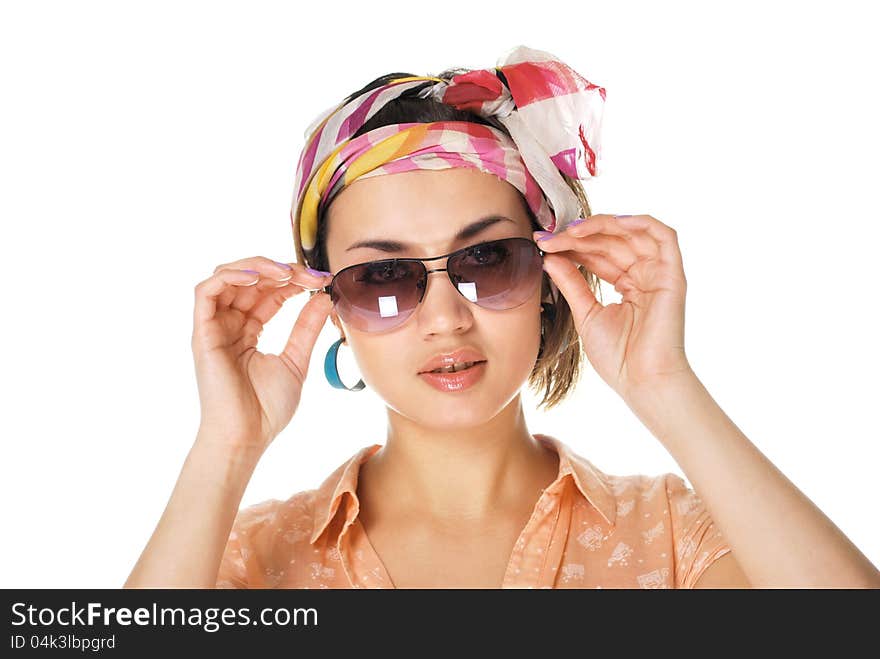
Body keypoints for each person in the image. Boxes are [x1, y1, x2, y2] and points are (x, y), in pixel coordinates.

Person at [124, 46, 880, 589]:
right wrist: (224, 449)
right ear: (330, 304)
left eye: (487, 261)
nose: (446, 319)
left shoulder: (677, 537)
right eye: (383, 278)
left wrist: (666, 385)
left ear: (550, 275)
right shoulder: (247, 559)